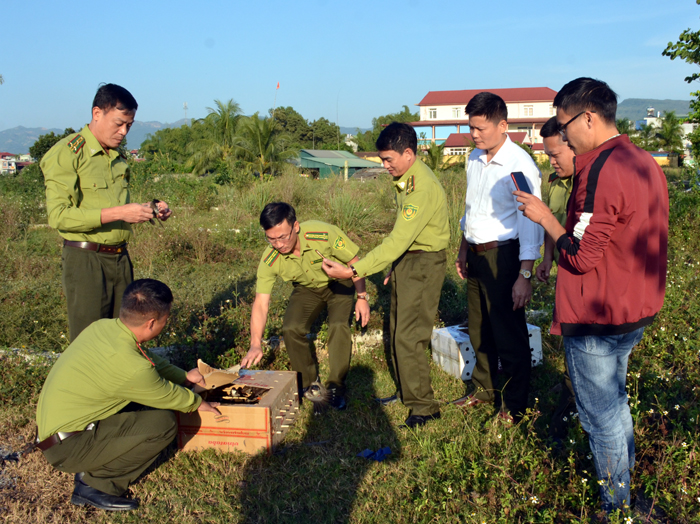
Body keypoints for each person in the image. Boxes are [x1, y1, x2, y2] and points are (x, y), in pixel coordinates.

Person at [516, 77, 668, 513]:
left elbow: (581, 257)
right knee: (616, 406)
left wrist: (545, 217)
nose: (562, 135)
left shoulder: (602, 168)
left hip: (598, 314)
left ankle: (615, 505)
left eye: (564, 126)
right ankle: (625, 491)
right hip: (633, 307)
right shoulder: (643, 160)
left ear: (587, 118)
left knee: (600, 416)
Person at [35, 279, 220, 511]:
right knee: (162, 424)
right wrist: (197, 403)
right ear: (152, 322)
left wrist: (184, 377)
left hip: (58, 431)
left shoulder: (103, 327)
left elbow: (148, 360)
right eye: (166, 318)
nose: (167, 322)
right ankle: (96, 485)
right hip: (66, 448)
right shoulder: (132, 368)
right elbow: (167, 395)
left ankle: (97, 461)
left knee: (142, 409)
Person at [321, 123, 450, 429]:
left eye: (389, 159)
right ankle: (408, 391)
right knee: (397, 329)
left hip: (423, 264)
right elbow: (402, 238)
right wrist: (395, 264)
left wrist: (352, 270)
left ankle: (424, 405)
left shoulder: (420, 188)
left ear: (408, 153)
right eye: (382, 159)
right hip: (409, 260)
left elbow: (396, 241)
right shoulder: (406, 179)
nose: (385, 165)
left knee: (410, 335)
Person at [41, 83, 171, 342]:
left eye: (129, 126)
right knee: (89, 342)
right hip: (86, 259)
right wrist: (121, 212)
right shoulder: (68, 153)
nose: (123, 132)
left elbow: (116, 209)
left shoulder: (116, 157)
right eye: (119, 123)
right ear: (97, 113)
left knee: (123, 338)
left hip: (120, 260)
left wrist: (149, 210)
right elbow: (59, 216)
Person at [454, 92, 543, 423]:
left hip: (503, 257)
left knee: (509, 333)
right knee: (479, 329)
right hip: (477, 254)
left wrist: (526, 274)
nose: (475, 135)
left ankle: (516, 405)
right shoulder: (474, 159)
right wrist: (463, 248)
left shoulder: (519, 165)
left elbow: (529, 220)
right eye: (471, 128)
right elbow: (470, 207)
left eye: (481, 128)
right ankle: (484, 388)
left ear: (503, 125)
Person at [240, 202, 370, 411]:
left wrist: (362, 297)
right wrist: (255, 343)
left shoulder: (323, 234)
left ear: (296, 226)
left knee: (338, 325)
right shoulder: (270, 258)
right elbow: (261, 303)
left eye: (283, 237)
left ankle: (336, 385)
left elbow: (354, 261)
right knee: (291, 329)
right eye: (271, 239)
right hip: (307, 288)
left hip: (339, 282)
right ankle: (310, 383)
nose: (279, 244)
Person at [537, 117, 578, 440]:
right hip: (564, 264)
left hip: (583, 265)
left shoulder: (589, 182)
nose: (551, 161)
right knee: (566, 329)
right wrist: (547, 258)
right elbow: (550, 221)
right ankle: (569, 380)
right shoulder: (554, 181)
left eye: (555, 154)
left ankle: (571, 399)